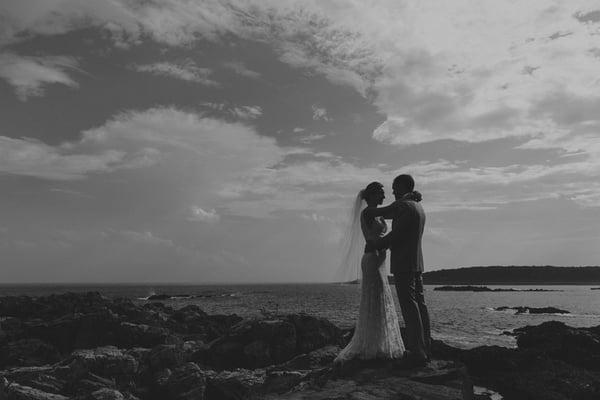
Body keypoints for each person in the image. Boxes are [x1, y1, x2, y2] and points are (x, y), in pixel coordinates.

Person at [334, 182, 405, 365]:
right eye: (381, 193)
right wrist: (408, 198)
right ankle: (371, 345)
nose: (384, 197)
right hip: (372, 260)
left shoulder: (378, 213)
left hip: (379, 260)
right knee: (374, 298)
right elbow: (393, 208)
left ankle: (377, 343)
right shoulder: (367, 213)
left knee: (379, 297)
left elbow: (394, 212)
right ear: (372, 195)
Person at [364, 174, 431, 365]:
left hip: (404, 263)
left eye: (394, 187)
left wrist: (375, 243)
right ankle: (425, 347)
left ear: (402, 186)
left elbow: (394, 233)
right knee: (420, 305)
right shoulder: (418, 206)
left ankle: (417, 352)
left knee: (409, 307)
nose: (392, 191)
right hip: (417, 263)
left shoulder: (403, 205)